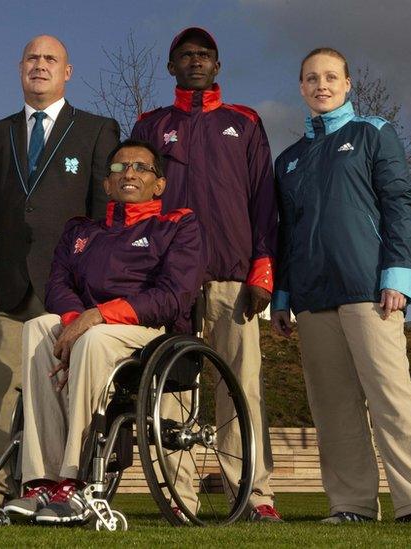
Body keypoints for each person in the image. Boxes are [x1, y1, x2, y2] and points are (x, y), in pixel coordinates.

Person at [270, 47, 411, 527]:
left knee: (392, 396)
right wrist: (282, 297)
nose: (321, 85)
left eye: (331, 77)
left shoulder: (375, 132)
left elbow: (398, 204)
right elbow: (286, 233)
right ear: (302, 87)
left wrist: (398, 275)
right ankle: (350, 505)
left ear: (348, 84)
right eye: (311, 78)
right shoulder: (288, 160)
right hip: (310, 298)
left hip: (369, 289)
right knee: (332, 408)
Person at [3, 139, 204, 523]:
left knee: (94, 338)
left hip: (149, 333)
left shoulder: (178, 225)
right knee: (35, 328)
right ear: (107, 185)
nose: (128, 173)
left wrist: (96, 316)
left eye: (141, 168)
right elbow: (57, 285)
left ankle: (76, 481)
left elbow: (173, 297)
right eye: (118, 168)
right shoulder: (81, 230)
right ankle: (41, 480)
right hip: (85, 325)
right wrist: (76, 319)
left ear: (159, 185)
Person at [0, 34, 120, 502]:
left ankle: (71, 489)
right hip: (5, 291)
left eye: (51, 59)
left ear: (67, 72)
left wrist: (95, 288)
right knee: (0, 395)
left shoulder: (96, 129)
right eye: (32, 57)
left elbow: (103, 217)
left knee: (67, 394)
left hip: (68, 293)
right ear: (19, 68)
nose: (41, 65)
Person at [130, 27, 280, 521]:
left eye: (205, 55)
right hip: (170, 281)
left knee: (241, 386)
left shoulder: (245, 121)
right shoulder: (150, 124)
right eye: (185, 55)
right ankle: (179, 495)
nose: (195, 61)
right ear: (171, 67)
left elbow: (264, 201)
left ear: (218, 66)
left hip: (232, 276)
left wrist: (263, 267)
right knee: (171, 388)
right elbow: (135, 202)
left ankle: (254, 494)